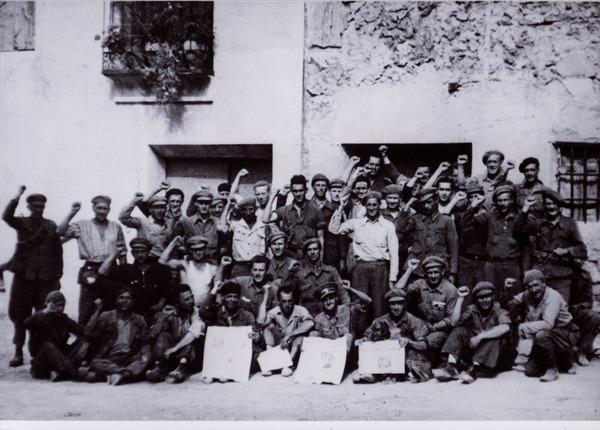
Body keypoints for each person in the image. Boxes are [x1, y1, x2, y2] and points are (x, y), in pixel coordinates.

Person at [3, 186, 63, 367]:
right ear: (29, 207)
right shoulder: (22, 223)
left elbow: (57, 253)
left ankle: (37, 354)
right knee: (20, 317)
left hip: (45, 279)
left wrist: (58, 277)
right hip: (24, 277)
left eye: (41, 207)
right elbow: (6, 216)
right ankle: (18, 353)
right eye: (35, 206)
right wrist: (16, 196)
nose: (39, 209)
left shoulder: (50, 225)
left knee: (42, 317)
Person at [329, 191, 399, 324]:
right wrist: (341, 207)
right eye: (369, 205)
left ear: (380, 205)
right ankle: (359, 339)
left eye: (374, 205)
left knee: (380, 307)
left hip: (380, 269)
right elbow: (334, 229)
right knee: (360, 306)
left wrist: (392, 278)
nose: (372, 208)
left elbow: (394, 254)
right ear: (365, 206)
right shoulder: (356, 223)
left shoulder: (388, 226)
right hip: (360, 269)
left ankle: (379, 340)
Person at [57, 196, 125, 324]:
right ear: (93, 208)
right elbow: (59, 232)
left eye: (105, 209)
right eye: (99, 208)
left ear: (109, 210)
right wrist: (72, 212)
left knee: (110, 304)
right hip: (90, 269)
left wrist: (124, 275)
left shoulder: (116, 227)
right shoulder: (82, 225)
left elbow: (122, 253)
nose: (101, 211)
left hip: (111, 268)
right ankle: (84, 339)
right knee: (87, 306)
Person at [515, 187, 587, 304]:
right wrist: (526, 208)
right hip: (541, 276)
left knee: (561, 309)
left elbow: (582, 250)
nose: (551, 207)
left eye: (554, 204)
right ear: (545, 206)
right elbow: (518, 231)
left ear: (559, 206)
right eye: (548, 204)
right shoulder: (539, 223)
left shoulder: (569, 223)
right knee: (538, 309)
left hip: (562, 276)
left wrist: (566, 251)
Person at [508, 269, 579, 382]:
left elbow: (548, 324)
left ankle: (554, 368)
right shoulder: (528, 294)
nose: (534, 289)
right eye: (529, 286)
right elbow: (511, 302)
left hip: (565, 333)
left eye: (536, 285)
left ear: (544, 283)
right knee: (530, 371)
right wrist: (509, 292)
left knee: (541, 335)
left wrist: (523, 327)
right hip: (547, 335)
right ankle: (565, 362)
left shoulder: (552, 296)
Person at [436, 282, 513, 384]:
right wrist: (460, 299)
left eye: (487, 296)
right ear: (477, 299)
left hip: (499, 357)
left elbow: (505, 327)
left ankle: (473, 371)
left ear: (493, 296)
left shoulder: (499, 309)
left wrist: (480, 336)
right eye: (481, 297)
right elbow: (454, 322)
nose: (485, 300)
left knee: (494, 336)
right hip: (478, 353)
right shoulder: (473, 309)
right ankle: (451, 366)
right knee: (459, 330)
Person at [462, 183, 526, 305]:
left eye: (505, 200)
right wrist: (473, 207)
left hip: (512, 264)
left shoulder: (519, 218)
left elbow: (526, 245)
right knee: (491, 298)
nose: (502, 203)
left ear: (512, 200)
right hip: (491, 265)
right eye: (499, 201)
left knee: (513, 299)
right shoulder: (490, 216)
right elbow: (465, 222)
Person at [354, 289, 432, 384]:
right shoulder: (381, 320)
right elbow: (368, 337)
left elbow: (423, 345)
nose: (396, 307)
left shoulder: (413, 321)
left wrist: (408, 341)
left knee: (414, 359)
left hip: (407, 357)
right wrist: (363, 340)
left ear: (405, 305)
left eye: (399, 304)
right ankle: (377, 374)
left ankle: (393, 375)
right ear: (388, 305)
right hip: (387, 359)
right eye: (392, 304)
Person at [80, 288, 151, 385]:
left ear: (133, 301)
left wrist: (146, 356)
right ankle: (125, 373)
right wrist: (97, 310)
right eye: (121, 298)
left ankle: (106, 375)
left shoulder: (139, 320)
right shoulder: (106, 316)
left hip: (130, 357)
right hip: (109, 358)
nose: (124, 301)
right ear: (116, 300)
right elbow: (90, 333)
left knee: (145, 360)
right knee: (95, 362)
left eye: (128, 298)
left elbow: (145, 342)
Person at [397, 256, 458, 365]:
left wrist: (435, 327)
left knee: (424, 343)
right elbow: (398, 290)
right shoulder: (421, 283)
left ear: (442, 272)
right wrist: (410, 269)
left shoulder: (450, 290)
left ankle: (412, 346)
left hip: (441, 330)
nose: (433, 276)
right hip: (423, 325)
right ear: (426, 274)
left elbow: (451, 319)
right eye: (430, 273)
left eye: (436, 272)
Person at [201, 280, 264, 382]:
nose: (232, 299)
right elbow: (203, 311)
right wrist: (214, 291)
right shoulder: (216, 313)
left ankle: (228, 372)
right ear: (223, 298)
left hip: (238, 355)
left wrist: (257, 337)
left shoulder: (247, 315)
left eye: (235, 297)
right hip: (221, 354)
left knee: (257, 354)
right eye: (229, 296)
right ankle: (219, 371)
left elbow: (256, 338)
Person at [99, 237, 171, 323]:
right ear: (132, 253)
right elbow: (102, 271)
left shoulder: (158, 269)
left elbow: (166, 289)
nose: (140, 255)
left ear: (148, 252)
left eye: (143, 251)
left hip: (153, 313)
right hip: (132, 315)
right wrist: (115, 252)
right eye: (136, 252)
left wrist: (160, 304)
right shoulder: (126, 270)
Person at [145, 284, 205, 383]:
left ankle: (181, 369)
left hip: (191, 357)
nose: (191, 301)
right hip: (171, 355)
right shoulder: (170, 312)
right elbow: (152, 335)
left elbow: (194, 333)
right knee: (163, 335)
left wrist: (174, 349)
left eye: (191, 297)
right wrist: (162, 318)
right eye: (186, 299)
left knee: (189, 339)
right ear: (177, 303)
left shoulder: (197, 312)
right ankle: (158, 367)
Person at [24, 291, 87, 381]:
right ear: (49, 304)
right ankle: (73, 373)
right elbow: (26, 324)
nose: (61, 308)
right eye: (58, 305)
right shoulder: (40, 317)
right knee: (48, 346)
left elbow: (82, 331)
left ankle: (60, 372)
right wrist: (46, 311)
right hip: (42, 363)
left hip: (61, 359)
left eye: (62, 305)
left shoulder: (63, 319)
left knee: (83, 341)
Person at [263, 175, 326, 259]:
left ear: (306, 190)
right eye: (295, 191)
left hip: (309, 255)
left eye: (301, 191)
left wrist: (320, 259)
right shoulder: (285, 210)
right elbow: (265, 219)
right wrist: (272, 197)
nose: (298, 194)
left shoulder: (316, 210)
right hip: (289, 255)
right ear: (291, 191)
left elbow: (321, 238)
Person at [404, 187, 459, 282]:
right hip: (417, 269)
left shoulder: (447, 220)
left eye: (429, 202)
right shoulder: (415, 219)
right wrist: (408, 205)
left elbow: (453, 248)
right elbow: (401, 229)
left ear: (436, 200)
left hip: (439, 268)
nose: (426, 206)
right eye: (423, 203)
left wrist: (453, 272)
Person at [260, 286, 315, 377]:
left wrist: (291, 335)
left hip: (294, 347)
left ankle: (288, 365)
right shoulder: (274, 312)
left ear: (294, 300)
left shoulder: (300, 310)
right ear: (279, 301)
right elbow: (262, 322)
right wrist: (265, 298)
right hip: (280, 345)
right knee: (268, 328)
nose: (287, 304)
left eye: (290, 301)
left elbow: (310, 323)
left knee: (300, 338)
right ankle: (269, 362)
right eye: (284, 301)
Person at [290, 238, 350, 317]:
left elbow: (343, 294)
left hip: (328, 315)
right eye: (309, 250)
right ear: (306, 252)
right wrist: (290, 272)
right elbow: (288, 293)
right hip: (308, 316)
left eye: (315, 249)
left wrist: (345, 312)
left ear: (320, 250)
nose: (312, 252)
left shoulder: (331, 271)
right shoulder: (299, 273)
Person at [159, 235, 222, 310]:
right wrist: (173, 242)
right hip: (185, 308)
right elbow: (162, 261)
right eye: (195, 250)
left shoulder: (212, 268)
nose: (198, 252)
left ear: (205, 249)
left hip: (204, 309)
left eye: (201, 249)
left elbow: (218, 289)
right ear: (190, 251)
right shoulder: (185, 265)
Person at [310, 281, 371, 352]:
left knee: (348, 337)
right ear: (322, 303)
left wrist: (350, 289)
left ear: (336, 298)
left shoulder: (347, 309)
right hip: (328, 352)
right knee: (313, 334)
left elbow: (368, 301)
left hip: (347, 354)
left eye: (331, 298)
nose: (328, 302)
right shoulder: (319, 318)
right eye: (325, 300)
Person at [220, 197, 267, 277]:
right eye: (244, 210)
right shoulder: (235, 225)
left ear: (255, 209)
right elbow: (222, 227)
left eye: (251, 209)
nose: (248, 212)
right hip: (239, 266)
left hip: (258, 267)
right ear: (241, 211)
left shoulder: (263, 226)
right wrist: (228, 206)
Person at [119, 193, 174, 259]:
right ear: (150, 209)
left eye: (162, 207)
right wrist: (134, 201)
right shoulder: (142, 222)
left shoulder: (170, 223)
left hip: (165, 262)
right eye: (156, 208)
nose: (160, 211)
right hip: (146, 261)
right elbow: (123, 218)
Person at [455, 183, 488, 289]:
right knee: (465, 291)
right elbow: (462, 223)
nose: (474, 199)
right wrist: (472, 209)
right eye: (471, 197)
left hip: (483, 260)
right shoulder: (462, 215)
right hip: (466, 260)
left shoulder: (489, 215)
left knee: (483, 290)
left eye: (477, 196)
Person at [174, 190, 224, 261]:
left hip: (212, 262)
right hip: (193, 262)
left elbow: (224, 244)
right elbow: (177, 241)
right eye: (201, 203)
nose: (204, 206)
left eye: (207, 203)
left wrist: (216, 255)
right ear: (195, 203)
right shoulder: (186, 222)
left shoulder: (217, 222)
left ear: (210, 203)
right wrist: (188, 252)